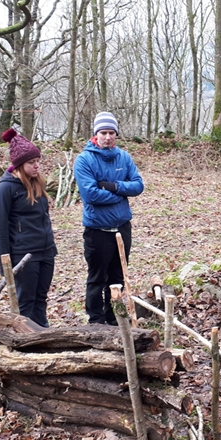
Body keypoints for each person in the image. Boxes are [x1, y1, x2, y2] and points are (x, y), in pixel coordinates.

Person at [73, 112, 144, 325]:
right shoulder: (84, 160)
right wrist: (121, 195)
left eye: (111, 133)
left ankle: (115, 318)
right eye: (103, 133)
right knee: (97, 278)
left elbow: (138, 185)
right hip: (97, 230)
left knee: (118, 277)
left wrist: (114, 186)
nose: (107, 137)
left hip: (122, 227)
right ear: (96, 134)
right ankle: (95, 321)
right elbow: (90, 194)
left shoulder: (124, 157)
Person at [0, 128, 58, 327]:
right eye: (31, 162)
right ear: (19, 165)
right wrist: (5, 265)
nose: (37, 166)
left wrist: (50, 247)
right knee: (26, 301)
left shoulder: (37, 183)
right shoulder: (5, 189)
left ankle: (42, 333)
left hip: (45, 251)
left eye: (38, 161)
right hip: (23, 255)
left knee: (41, 297)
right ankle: (27, 338)